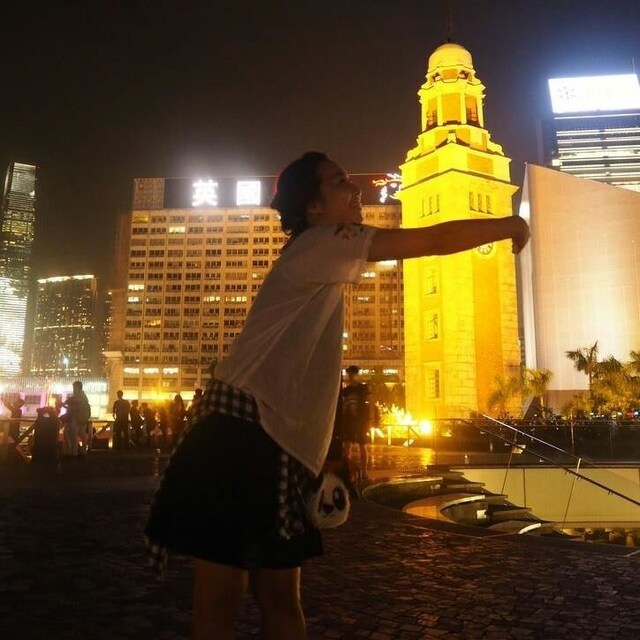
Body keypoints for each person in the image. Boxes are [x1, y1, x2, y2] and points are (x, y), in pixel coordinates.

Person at [144, 151, 529, 640]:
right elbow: (430, 239)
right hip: (243, 434)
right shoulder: (322, 242)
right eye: (340, 182)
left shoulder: (315, 251)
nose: (356, 190)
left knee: (251, 598)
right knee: (254, 599)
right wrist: (507, 224)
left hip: (253, 433)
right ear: (313, 207)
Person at [341, 365, 372, 479]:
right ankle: (347, 469)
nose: (350, 376)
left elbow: (369, 403)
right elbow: (344, 405)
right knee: (347, 445)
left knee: (362, 445)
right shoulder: (346, 390)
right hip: (350, 421)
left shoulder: (363, 388)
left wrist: (370, 419)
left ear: (356, 375)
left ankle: (364, 470)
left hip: (361, 421)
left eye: (352, 374)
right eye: (349, 374)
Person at [62, 381, 91, 457]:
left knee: (72, 435)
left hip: (76, 419)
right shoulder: (83, 397)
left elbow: (73, 404)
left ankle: (73, 452)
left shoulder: (78, 398)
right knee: (81, 435)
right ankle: (82, 451)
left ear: (78, 387)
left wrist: (65, 404)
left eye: (74, 387)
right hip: (81, 419)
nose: (74, 389)